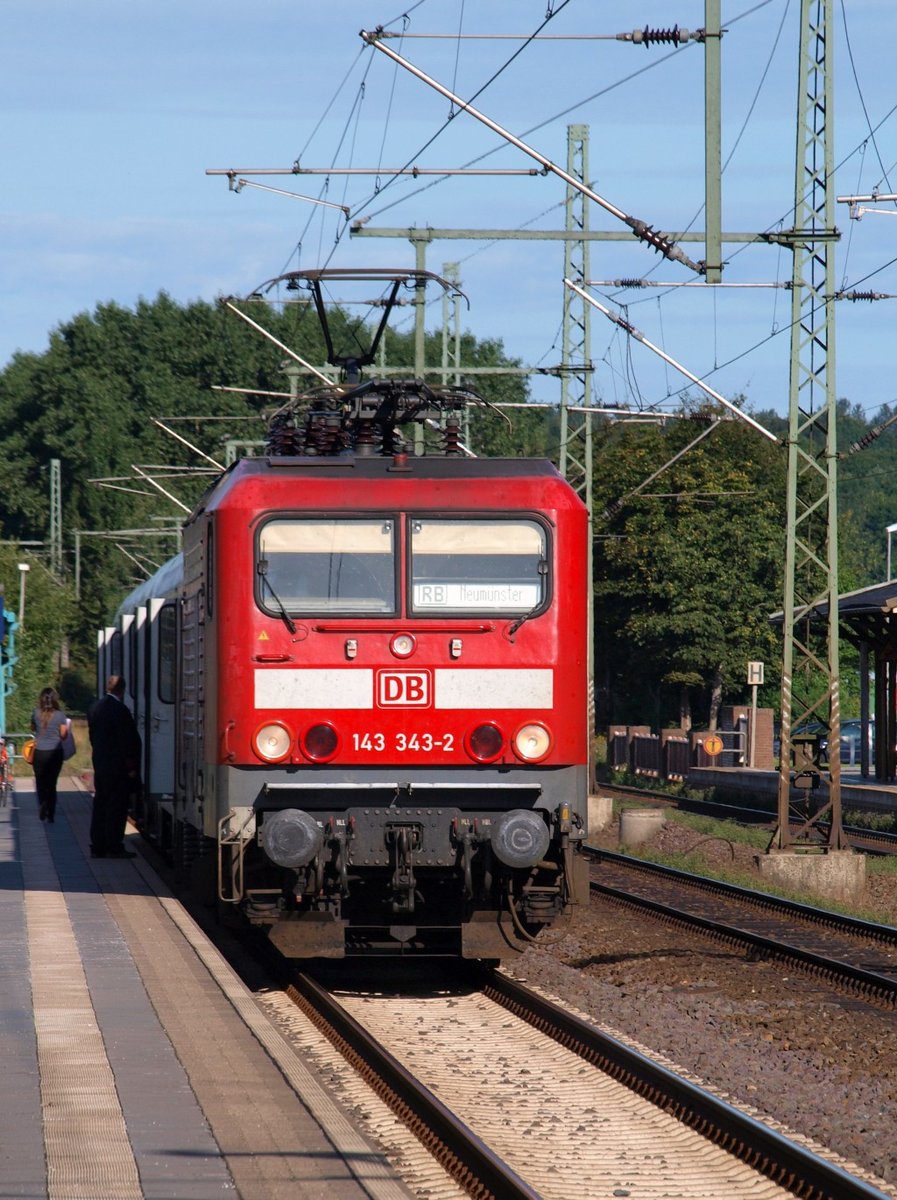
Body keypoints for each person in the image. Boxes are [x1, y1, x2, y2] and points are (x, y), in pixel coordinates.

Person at [87, 675, 141, 858]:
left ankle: (98, 845)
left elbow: (93, 737)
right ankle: (114, 845)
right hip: (118, 767)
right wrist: (132, 766)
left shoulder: (95, 708)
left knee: (100, 804)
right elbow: (128, 741)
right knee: (117, 807)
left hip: (101, 764)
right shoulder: (121, 710)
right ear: (123, 690)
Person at [30, 687, 71, 823]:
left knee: (40, 783)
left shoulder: (35, 713)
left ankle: (43, 804)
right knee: (52, 784)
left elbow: (33, 728)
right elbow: (64, 736)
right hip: (55, 753)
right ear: (55, 699)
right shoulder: (60, 715)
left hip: (39, 753)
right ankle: (51, 815)